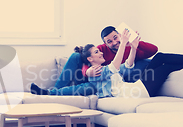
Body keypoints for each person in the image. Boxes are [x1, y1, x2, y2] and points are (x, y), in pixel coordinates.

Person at [75, 30, 183, 98]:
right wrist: (86, 71)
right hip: (135, 93)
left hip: (135, 87)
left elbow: (128, 66)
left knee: (160, 57)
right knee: (166, 68)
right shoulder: (99, 71)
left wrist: (133, 46)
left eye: (116, 38)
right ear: (90, 59)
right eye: (96, 53)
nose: (100, 53)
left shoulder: (104, 68)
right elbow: (114, 65)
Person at [30, 25, 158, 96]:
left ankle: (51, 94)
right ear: (105, 43)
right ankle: (53, 92)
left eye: (116, 38)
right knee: (76, 56)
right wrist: (87, 72)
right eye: (109, 41)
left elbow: (153, 50)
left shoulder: (128, 47)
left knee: (145, 62)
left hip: (107, 82)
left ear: (120, 35)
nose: (114, 42)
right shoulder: (101, 51)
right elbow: (89, 59)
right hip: (94, 78)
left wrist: (133, 43)